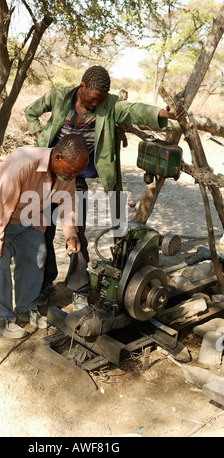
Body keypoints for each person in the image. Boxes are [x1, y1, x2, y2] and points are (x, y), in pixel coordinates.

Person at [25, 65, 185, 311]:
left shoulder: (109, 105)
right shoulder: (58, 97)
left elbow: (133, 110)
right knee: (43, 231)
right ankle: (44, 285)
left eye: (98, 101)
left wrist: (163, 114)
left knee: (75, 233)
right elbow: (31, 111)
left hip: (74, 177)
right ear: (82, 87)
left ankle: (79, 288)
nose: (93, 105)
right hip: (49, 172)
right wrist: (38, 134)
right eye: (90, 99)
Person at [0, 134, 89, 338]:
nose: (75, 174)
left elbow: (68, 201)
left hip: (29, 214)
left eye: (78, 171)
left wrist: (71, 233)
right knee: (0, 264)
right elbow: (3, 204)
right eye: (73, 169)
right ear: (57, 158)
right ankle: (2, 318)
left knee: (37, 257)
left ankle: (25, 307)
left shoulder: (66, 173)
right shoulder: (23, 164)